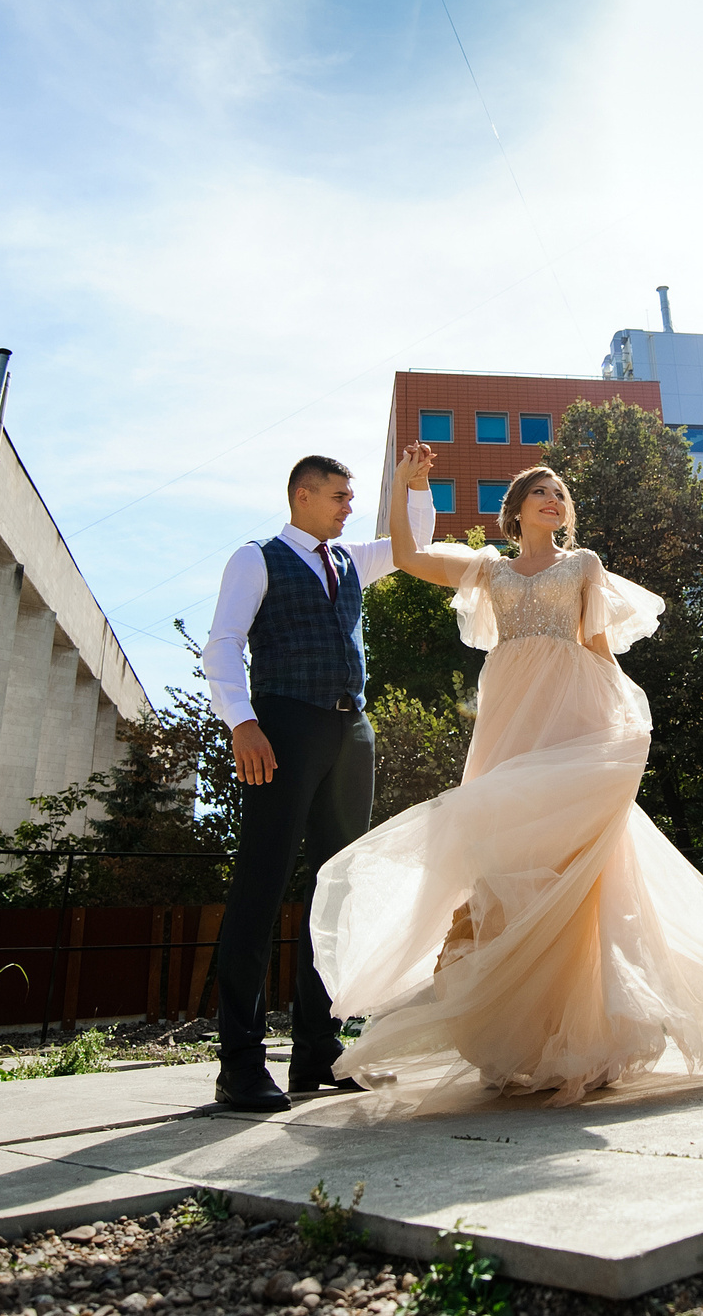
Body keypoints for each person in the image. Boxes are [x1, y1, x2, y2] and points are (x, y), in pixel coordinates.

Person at [308, 462, 703, 1107]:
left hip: (573, 714)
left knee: (569, 862)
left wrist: (626, 716)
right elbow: (409, 555)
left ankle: (580, 1036)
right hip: (508, 724)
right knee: (504, 860)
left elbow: (598, 646)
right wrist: (410, 486)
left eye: (560, 494)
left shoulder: (583, 565)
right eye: (540, 493)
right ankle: (515, 1039)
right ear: (517, 509)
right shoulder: (488, 570)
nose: (554, 500)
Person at [199, 445, 436, 1111]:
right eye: (339, 496)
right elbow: (223, 642)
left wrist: (417, 485)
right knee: (261, 885)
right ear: (302, 496)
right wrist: (242, 722)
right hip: (282, 727)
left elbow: (414, 545)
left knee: (335, 892)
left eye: (352, 497)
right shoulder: (256, 558)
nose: (349, 507)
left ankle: (317, 1051)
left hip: (350, 732)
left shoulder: (350, 559)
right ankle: (239, 1065)